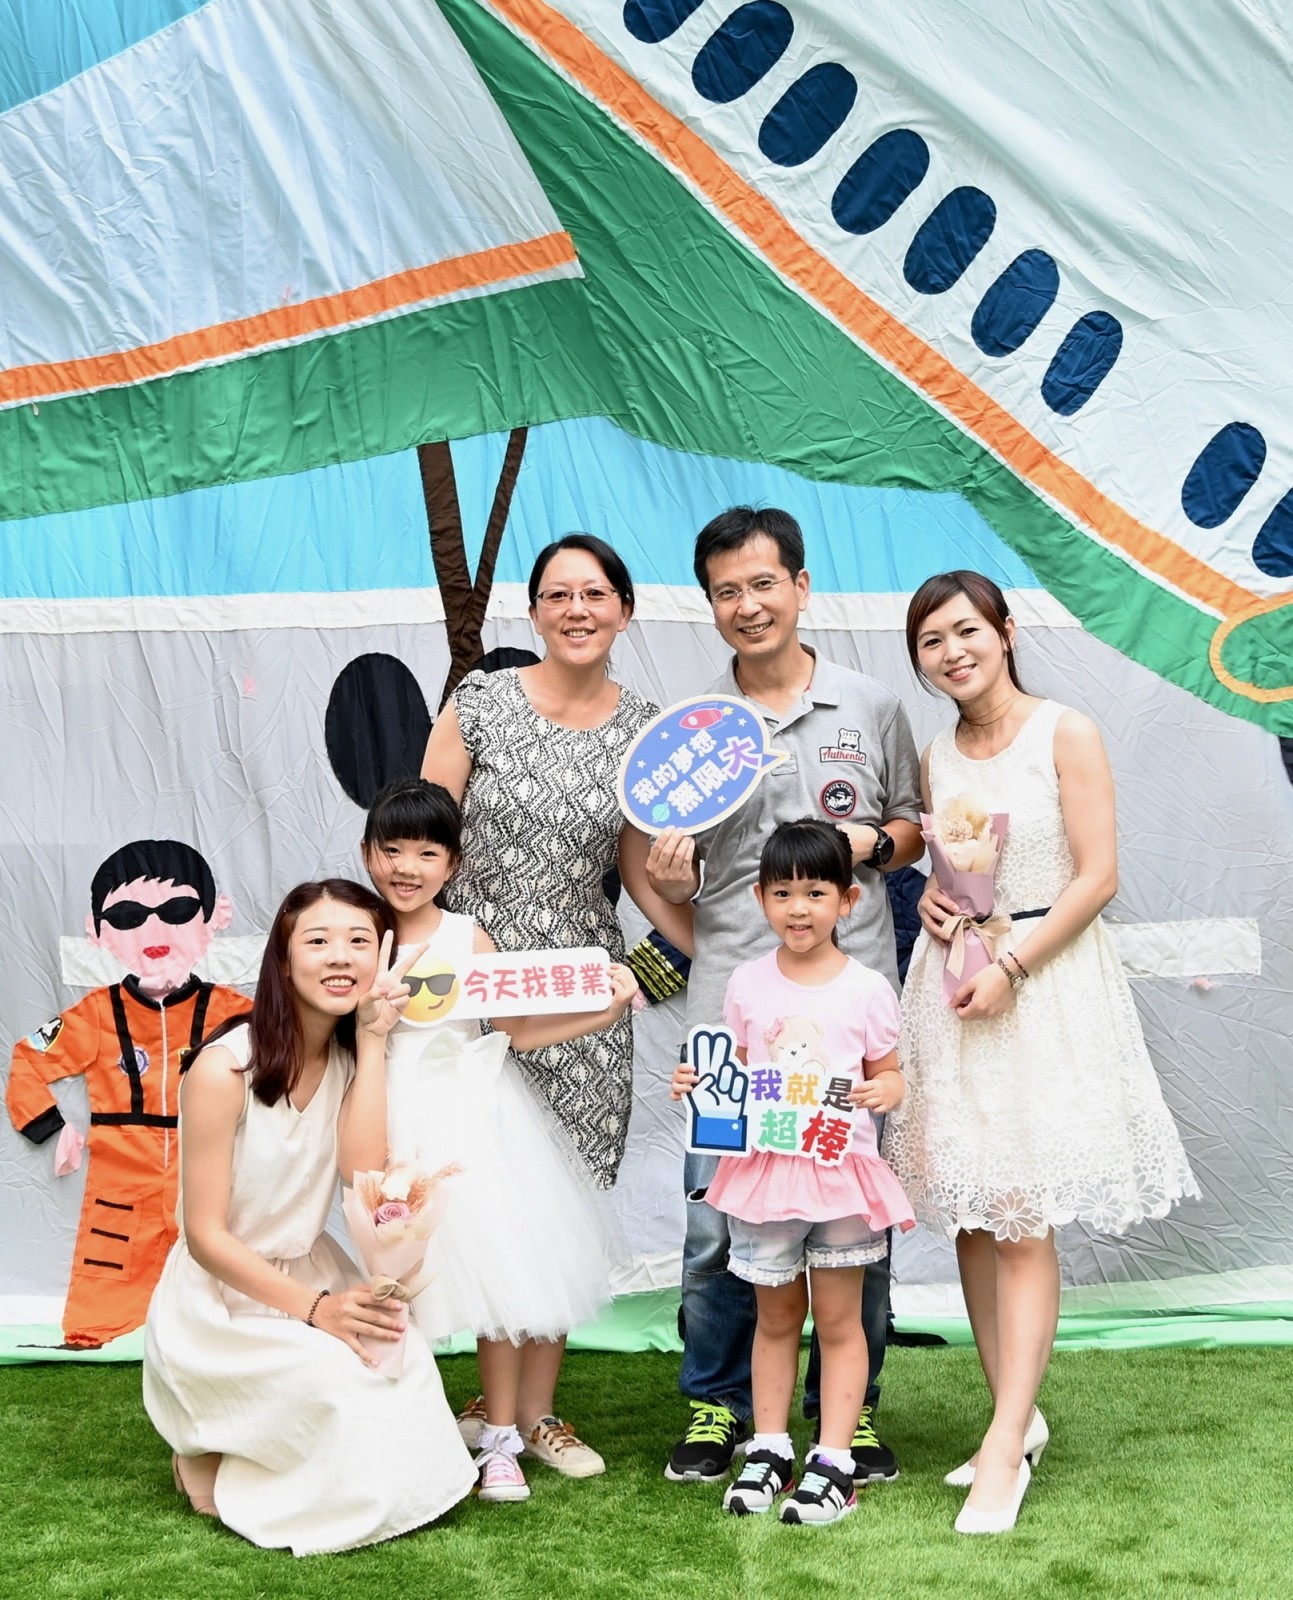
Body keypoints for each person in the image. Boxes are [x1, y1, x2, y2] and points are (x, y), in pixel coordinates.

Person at [884, 570, 1199, 1534]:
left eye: (965, 631)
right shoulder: (936, 752)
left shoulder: (1065, 731)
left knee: (1021, 1216)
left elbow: (1096, 877)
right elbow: (954, 873)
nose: (952, 652)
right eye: (931, 640)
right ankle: (1012, 1422)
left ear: (1006, 631)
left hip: (1042, 985)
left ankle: (1001, 1452)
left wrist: (1013, 966)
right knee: (972, 1215)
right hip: (953, 986)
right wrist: (936, 907)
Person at [646, 506, 924, 1486]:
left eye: (764, 583)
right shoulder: (692, 729)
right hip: (734, 1013)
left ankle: (851, 1414)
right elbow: (656, 862)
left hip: (848, 1008)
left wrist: (869, 844)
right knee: (718, 1218)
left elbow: (912, 827)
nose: (748, 604)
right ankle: (718, 1406)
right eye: (726, 591)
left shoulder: (869, 705)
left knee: (852, 1212)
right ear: (710, 604)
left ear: (800, 586)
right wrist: (681, 895)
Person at [421, 532, 691, 1475]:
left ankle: (536, 1415)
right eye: (558, 595)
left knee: (562, 1202)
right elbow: (422, 844)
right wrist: (411, 963)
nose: (577, 610)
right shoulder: (479, 704)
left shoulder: (645, 730)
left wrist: (688, 936)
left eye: (595, 593)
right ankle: (495, 1409)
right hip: (472, 990)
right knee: (490, 1198)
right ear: (534, 611)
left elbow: (642, 877)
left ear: (624, 609)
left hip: (578, 993)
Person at [142, 880, 477, 1555]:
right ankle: (207, 1444)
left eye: (359, 941)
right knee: (338, 1384)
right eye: (318, 941)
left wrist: (375, 1040)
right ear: (284, 958)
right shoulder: (223, 1069)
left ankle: (261, 1447)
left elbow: (360, 1172)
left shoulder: (352, 1059)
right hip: (219, 1301)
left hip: (311, 1270)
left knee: (405, 1366)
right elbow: (204, 1238)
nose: (340, 957)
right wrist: (319, 1311)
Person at [361, 776, 638, 1503]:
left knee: (508, 1266)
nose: (408, 867)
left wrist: (604, 1014)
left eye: (428, 853)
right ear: (367, 854)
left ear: (453, 865)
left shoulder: (466, 936)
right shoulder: (358, 935)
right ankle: (398, 1431)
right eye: (393, 850)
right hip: (387, 1119)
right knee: (398, 1280)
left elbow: (513, 1030)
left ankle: (506, 1437)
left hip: (477, 1116)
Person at [671, 820, 914, 1525]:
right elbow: (738, 1075)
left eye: (815, 892)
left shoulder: (868, 988)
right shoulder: (746, 983)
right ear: (759, 898)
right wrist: (700, 1084)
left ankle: (833, 1460)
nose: (798, 908)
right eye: (782, 893)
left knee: (839, 1321)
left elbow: (890, 1074)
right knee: (775, 1319)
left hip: (838, 1176)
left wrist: (884, 1091)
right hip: (767, 1177)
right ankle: (770, 1448)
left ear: (848, 900)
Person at [6, 839, 249, 1347]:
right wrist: (51, 1128)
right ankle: (102, 1333)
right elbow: (27, 1059)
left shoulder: (234, 1011)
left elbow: (286, 1064)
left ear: (214, 917)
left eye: (176, 911)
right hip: (121, 1171)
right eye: (129, 917)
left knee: (223, 1284)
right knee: (104, 1297)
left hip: (210, 1161)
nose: (154, 930)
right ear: (98, 931)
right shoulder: (97, 1013)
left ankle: (222, 1333)